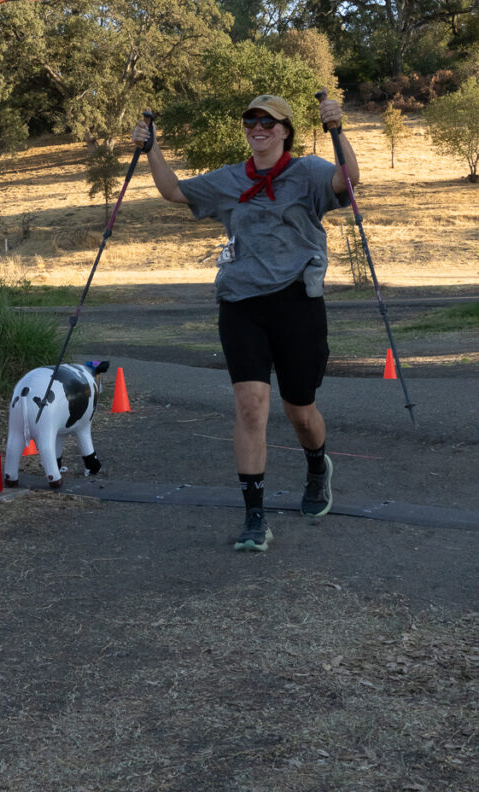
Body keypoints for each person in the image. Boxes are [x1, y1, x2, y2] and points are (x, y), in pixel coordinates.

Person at [132, 91, 360, 552]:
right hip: (240, 302)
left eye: (268, 122)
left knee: (300, 411)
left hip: (297, 301)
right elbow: (174, 191)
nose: (258, 128)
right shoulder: (230, 179)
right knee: (251, 407)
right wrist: (151, 148)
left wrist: (338, 129)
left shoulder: (310, 171)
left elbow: (348, 180)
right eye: (251, 121)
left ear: (285, 130)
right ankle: (254, 519)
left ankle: (317, 465)